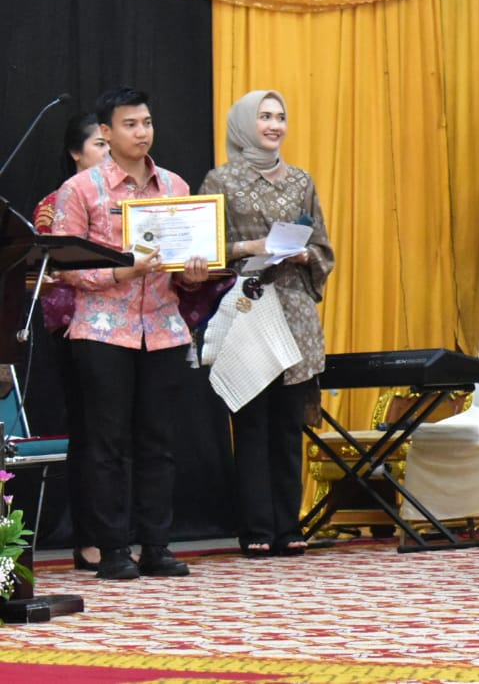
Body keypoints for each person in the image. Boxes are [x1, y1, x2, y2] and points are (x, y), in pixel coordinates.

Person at [51, 87, 211, 581]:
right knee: (106, 445)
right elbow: (62, 264)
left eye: (146, 122)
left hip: (162, 329)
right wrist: (121, 273)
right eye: (130, 124)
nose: (142, 132)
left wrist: (195, 273)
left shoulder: (177, 187)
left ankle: (157, 546)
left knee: (158, 443)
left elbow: (186, 265)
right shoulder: (80, 190)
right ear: (105, 131)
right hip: (102, 329)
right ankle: (114, 549)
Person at [199, 90, 334, 558]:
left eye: (281, 116)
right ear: (242, 124)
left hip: (294, 310)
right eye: (265, 117)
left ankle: (288, 525)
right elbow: (206, 246)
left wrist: (304, 252)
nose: (274, 125)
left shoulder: (300, 179)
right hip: (248, 307)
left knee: (287, 424)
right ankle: (256, 526)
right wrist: (251, 247)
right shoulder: (221, 179)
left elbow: (323, 248)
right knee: (251, 422)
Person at [31, 112, 110, 571]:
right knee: (90, 433)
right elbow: (49, 273)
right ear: (75, 153)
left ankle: (124, 532)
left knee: (123, 436)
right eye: (98, 144)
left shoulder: (130, 199)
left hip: (129, 327)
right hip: (77, 327)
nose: (106, 151)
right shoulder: (56, 202)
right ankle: (90, 537)